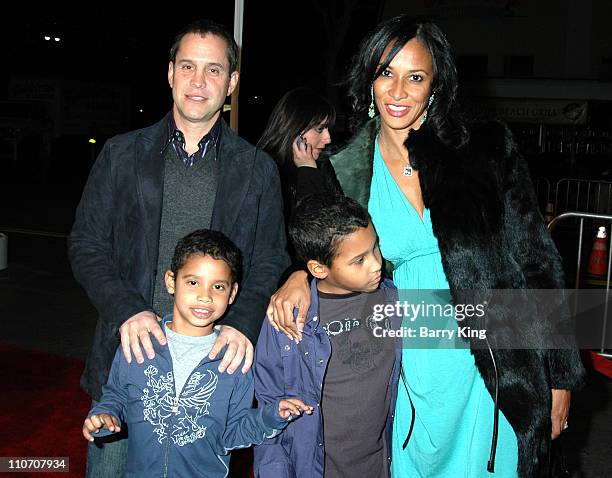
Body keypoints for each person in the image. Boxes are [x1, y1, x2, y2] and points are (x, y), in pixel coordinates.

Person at [266, 15, 585, 478]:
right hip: (404, 357)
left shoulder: (485, 150)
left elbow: (537, 260)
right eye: (385, 74)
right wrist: (298, 274)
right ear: (369, 80)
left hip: (493, 352)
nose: (398, 92)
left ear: (436, 86)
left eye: (415, 77)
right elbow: (328, 250)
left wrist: (559, 374)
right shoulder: (347, 167)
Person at [68, 19, 289, 477]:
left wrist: (244, 325)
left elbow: (270, 258)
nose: (197, 81)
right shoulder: (120, 154)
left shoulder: (257, 169)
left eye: (213, 70)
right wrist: (128, 309)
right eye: (187, 66)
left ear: (231, 83)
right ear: (170, 73)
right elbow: (86, 245)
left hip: (211, 368)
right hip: (128, 357)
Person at [82, 229, 312, 477]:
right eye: (193, 282)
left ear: (232, 293)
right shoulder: (140, 343)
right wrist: (103, 416)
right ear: (171, 281)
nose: (205, 296)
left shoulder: (234, 358)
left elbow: (234, 433)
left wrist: (271, 416)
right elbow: (115, 395)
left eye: (218, 287)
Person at [253, 195, 401, 478]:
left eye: (375, 249)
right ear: (319, 269)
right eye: (358, 261)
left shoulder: (394, 299)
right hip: (315, 469)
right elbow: (270, 409)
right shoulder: (287, 322)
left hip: (382, 466)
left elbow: (493, 319)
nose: (375, 265)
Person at [257, 87, 335, 220]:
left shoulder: (324, 167)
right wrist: (308, 172)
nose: (328, 138)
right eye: (319, 129)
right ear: (294, 129)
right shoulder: (263, 172)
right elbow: (312, 227)